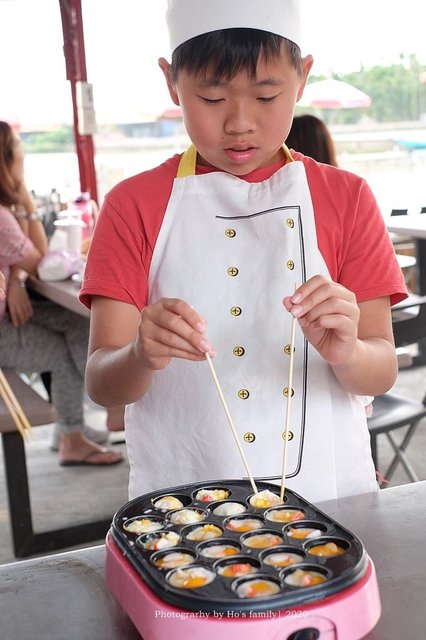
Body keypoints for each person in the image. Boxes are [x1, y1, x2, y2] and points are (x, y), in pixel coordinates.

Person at [81, 0, 407, 502]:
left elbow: (381, 368)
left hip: (329, 498)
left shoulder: (347, 197)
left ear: (302, 78)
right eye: (211, 97)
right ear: (172, 81)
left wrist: (348, 352)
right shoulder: (133, 205)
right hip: (184, 508)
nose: (239, 122)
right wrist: (140, 354)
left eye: (267, 95)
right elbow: (103, 384)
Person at [0, 120, 123, 466]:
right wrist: (24, 196)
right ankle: (77, 432)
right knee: (66, 347)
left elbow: (25, 263)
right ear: (7, 159)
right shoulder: (2, 217)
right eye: (18, 148)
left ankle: (74, 426)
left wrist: (14, 280)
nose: (23, 153)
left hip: (8, 312)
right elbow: (42, 262)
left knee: (76, 322)